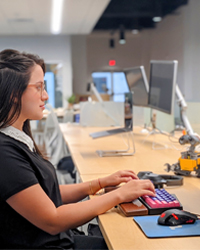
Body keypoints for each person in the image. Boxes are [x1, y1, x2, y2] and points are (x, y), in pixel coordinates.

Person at [0, 49, 155, 249]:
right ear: (14, 94)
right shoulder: (5, 153)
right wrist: (119, 195)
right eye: (38, 87)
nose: (45, 96)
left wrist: (99, 183)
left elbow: (46, 194)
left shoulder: (18, 139)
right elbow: (52, 219)